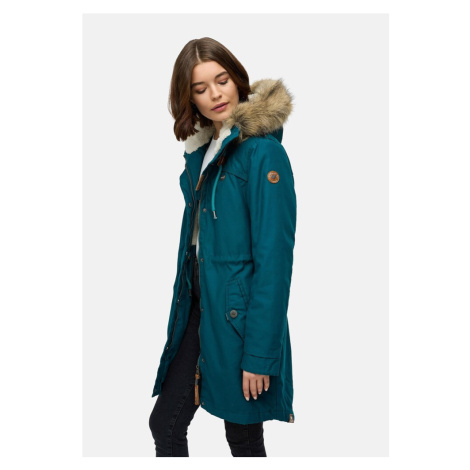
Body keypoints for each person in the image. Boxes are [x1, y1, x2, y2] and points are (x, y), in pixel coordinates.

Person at [149, 37, 297, 457]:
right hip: (198, 306)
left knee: (243, 437)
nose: (215, 94)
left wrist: (260, 356)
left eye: (222, 80)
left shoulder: (262, 154)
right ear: (189, 98)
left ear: (238, 80)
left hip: (240, 319)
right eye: (200, 88)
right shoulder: (203, 152)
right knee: (166, 423)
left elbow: (274, 261)